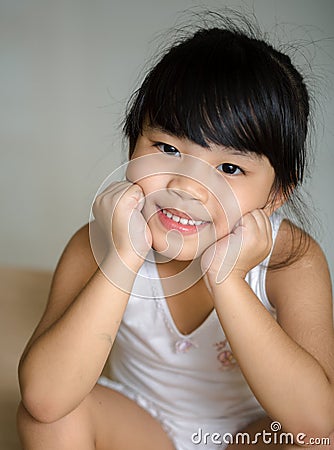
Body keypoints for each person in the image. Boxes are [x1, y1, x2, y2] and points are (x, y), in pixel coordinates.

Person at [17, 15, 334, 450]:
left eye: (229, 168)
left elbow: (317, 423)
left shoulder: (290, 261)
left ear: (276, 194)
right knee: (45, 421)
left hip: (250, 434)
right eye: (167, 149)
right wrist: (124, 257)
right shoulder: (98, 244)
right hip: (138, 428)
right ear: (132, 145)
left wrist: (228, 281)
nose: (186, 187)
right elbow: (44, 398)